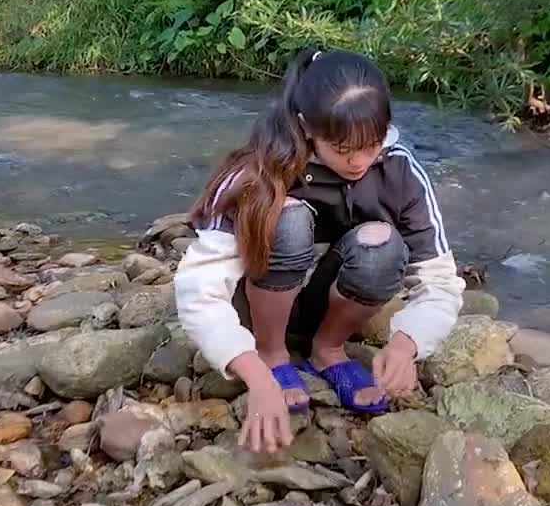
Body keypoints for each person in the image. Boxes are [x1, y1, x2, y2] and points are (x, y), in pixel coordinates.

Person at [174, 47, 465, 454]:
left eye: (372, 144)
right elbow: (197, 289)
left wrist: (407, 344)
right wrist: (254, 375)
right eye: (344, 150)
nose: (360, 161)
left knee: (382, 241)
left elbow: (438, 280)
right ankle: (271, 353)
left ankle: (327, 350)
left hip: (327, 300)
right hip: (254, 303)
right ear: (307, 128)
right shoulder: (259, 170)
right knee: (286, 219)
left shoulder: (400, 170)